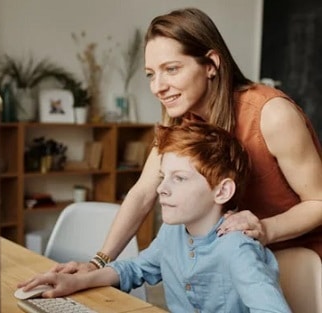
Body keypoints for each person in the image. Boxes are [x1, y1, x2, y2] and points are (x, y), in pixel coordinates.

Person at [25, 7, 322, 276]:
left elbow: (318, 202)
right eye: (151, 74)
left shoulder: (272, 115)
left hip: (298, 264)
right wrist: (97, 263)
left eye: (171, 69)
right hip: (236, 259)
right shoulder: (178, 118)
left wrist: (266, 229)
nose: (158, 87)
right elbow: (143, 192)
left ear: (211, 64)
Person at [20, 121, 292, 313]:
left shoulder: (237, 247)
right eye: (163, 177)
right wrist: (78, 280)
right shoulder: (171, 234)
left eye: (179, 178)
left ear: (221, 191)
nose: (161, 188)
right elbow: (134, 269)